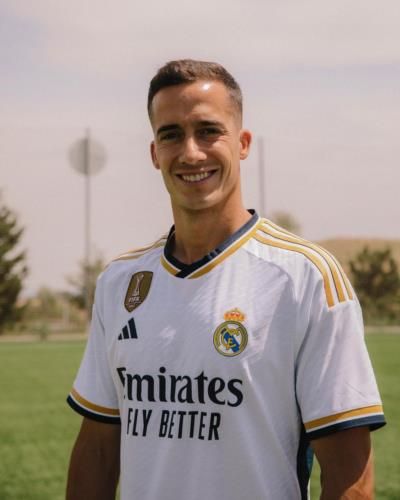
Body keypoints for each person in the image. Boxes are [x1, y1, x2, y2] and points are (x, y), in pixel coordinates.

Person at [66, 59, 385, 500]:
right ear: (154, 153)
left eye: (208, 131)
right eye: (171, 134)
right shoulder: (120, 282)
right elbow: (98, 451)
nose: (191, 152)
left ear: (242, 143)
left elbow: (352, 481)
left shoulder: (305, 278)